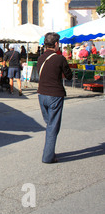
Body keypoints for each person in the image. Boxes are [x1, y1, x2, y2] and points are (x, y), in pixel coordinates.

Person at [37, 32, 73, 164]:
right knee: (53, 126)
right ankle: (48, 157)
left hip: (41, 95)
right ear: (56, 44)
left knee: (49, 124)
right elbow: (68, 76)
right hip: (55, 94)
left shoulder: (40, 58)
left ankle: (49, 151)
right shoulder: (60, 58)